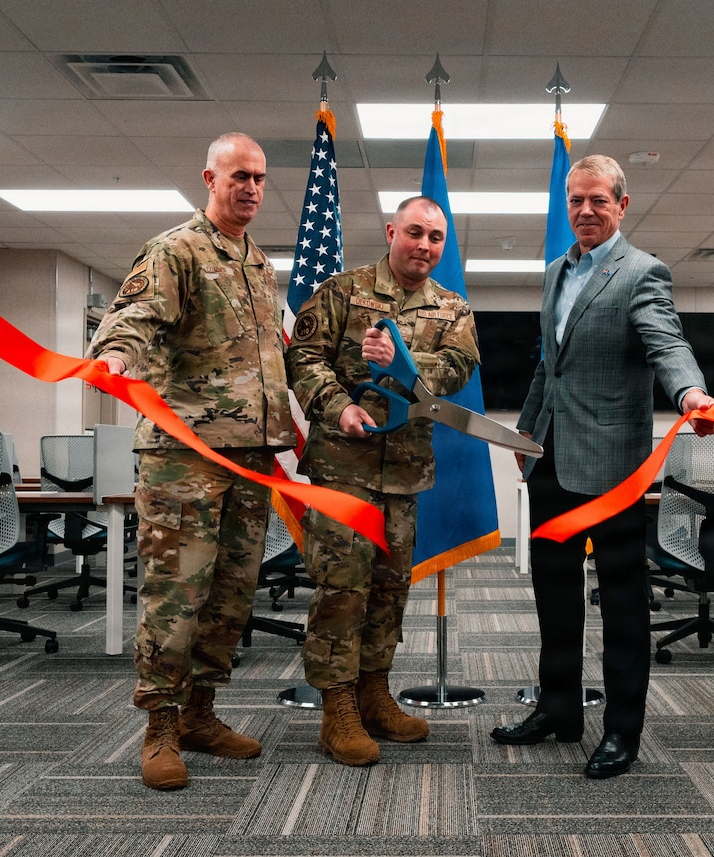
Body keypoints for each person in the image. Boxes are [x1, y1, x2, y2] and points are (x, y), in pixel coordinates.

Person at [490, 155, 714, 779]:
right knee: (553, 597)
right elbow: (549, 363)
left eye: (598, 201)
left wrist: (690, 393)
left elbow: (666, 343)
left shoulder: (642, 273)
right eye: (575, 201)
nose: (585, 212)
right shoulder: (555, 273)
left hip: (615, 468)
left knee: (622, 607)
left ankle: (622, 732)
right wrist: (528, 426)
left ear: (621, 204)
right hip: (551, 463)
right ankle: (558, 710)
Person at [88, 132, 295, 791]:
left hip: (250, 459)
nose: (252, 188)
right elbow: (137, 315)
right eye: (240, 175)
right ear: (210, 176)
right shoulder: (176, 249)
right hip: (185, 457)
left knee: (230, 596)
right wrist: (116, 356)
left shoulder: (259, 264)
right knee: (176, 596)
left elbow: (264, 366)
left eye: (260, 178)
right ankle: (160, 727)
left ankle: (203, 711)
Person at [286, 195, 480, 767]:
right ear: (392, 231)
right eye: (415, 233)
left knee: (390, 590)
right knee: (342, 589)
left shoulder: (453, 308)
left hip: (404, 475)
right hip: (342, 467)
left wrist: (403, 360)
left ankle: (374, 692)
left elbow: (457, 369)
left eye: (436, 238)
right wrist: (337, 405)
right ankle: (337, 708)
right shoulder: (342, 292)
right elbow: (304, 360)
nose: (425, 246)